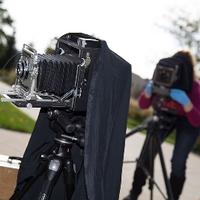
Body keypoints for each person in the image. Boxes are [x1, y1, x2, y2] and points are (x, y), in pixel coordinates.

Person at [124, 50, 200, 200]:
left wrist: (187, 103)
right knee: (147, 154)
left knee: (178, 161)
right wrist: (148, 92)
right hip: (166, 115)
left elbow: (197, 121)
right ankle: (134, 193)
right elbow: (143, 104)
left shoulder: (195, 89)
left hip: (188, 122)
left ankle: (173, 197)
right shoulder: (162, 79)